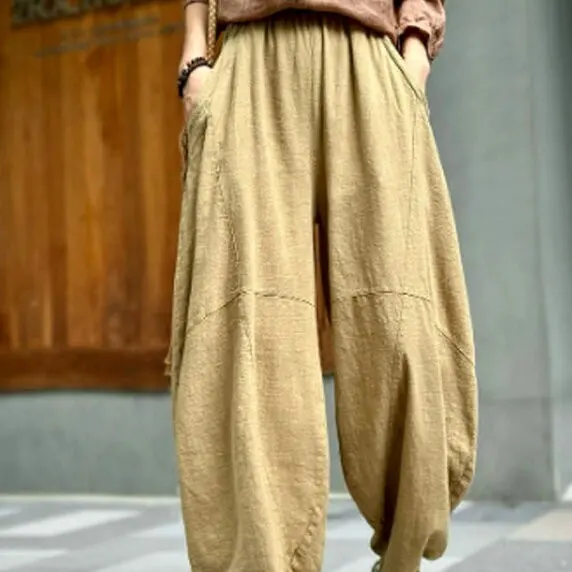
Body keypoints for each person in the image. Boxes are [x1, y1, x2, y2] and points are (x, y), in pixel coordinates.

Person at [167, 1, 478, 571]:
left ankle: (405, 551)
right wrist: (195, 60)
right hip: (250, 56)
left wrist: (415, 49)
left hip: (367, 52)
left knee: (398, 317)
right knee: (250, 326)